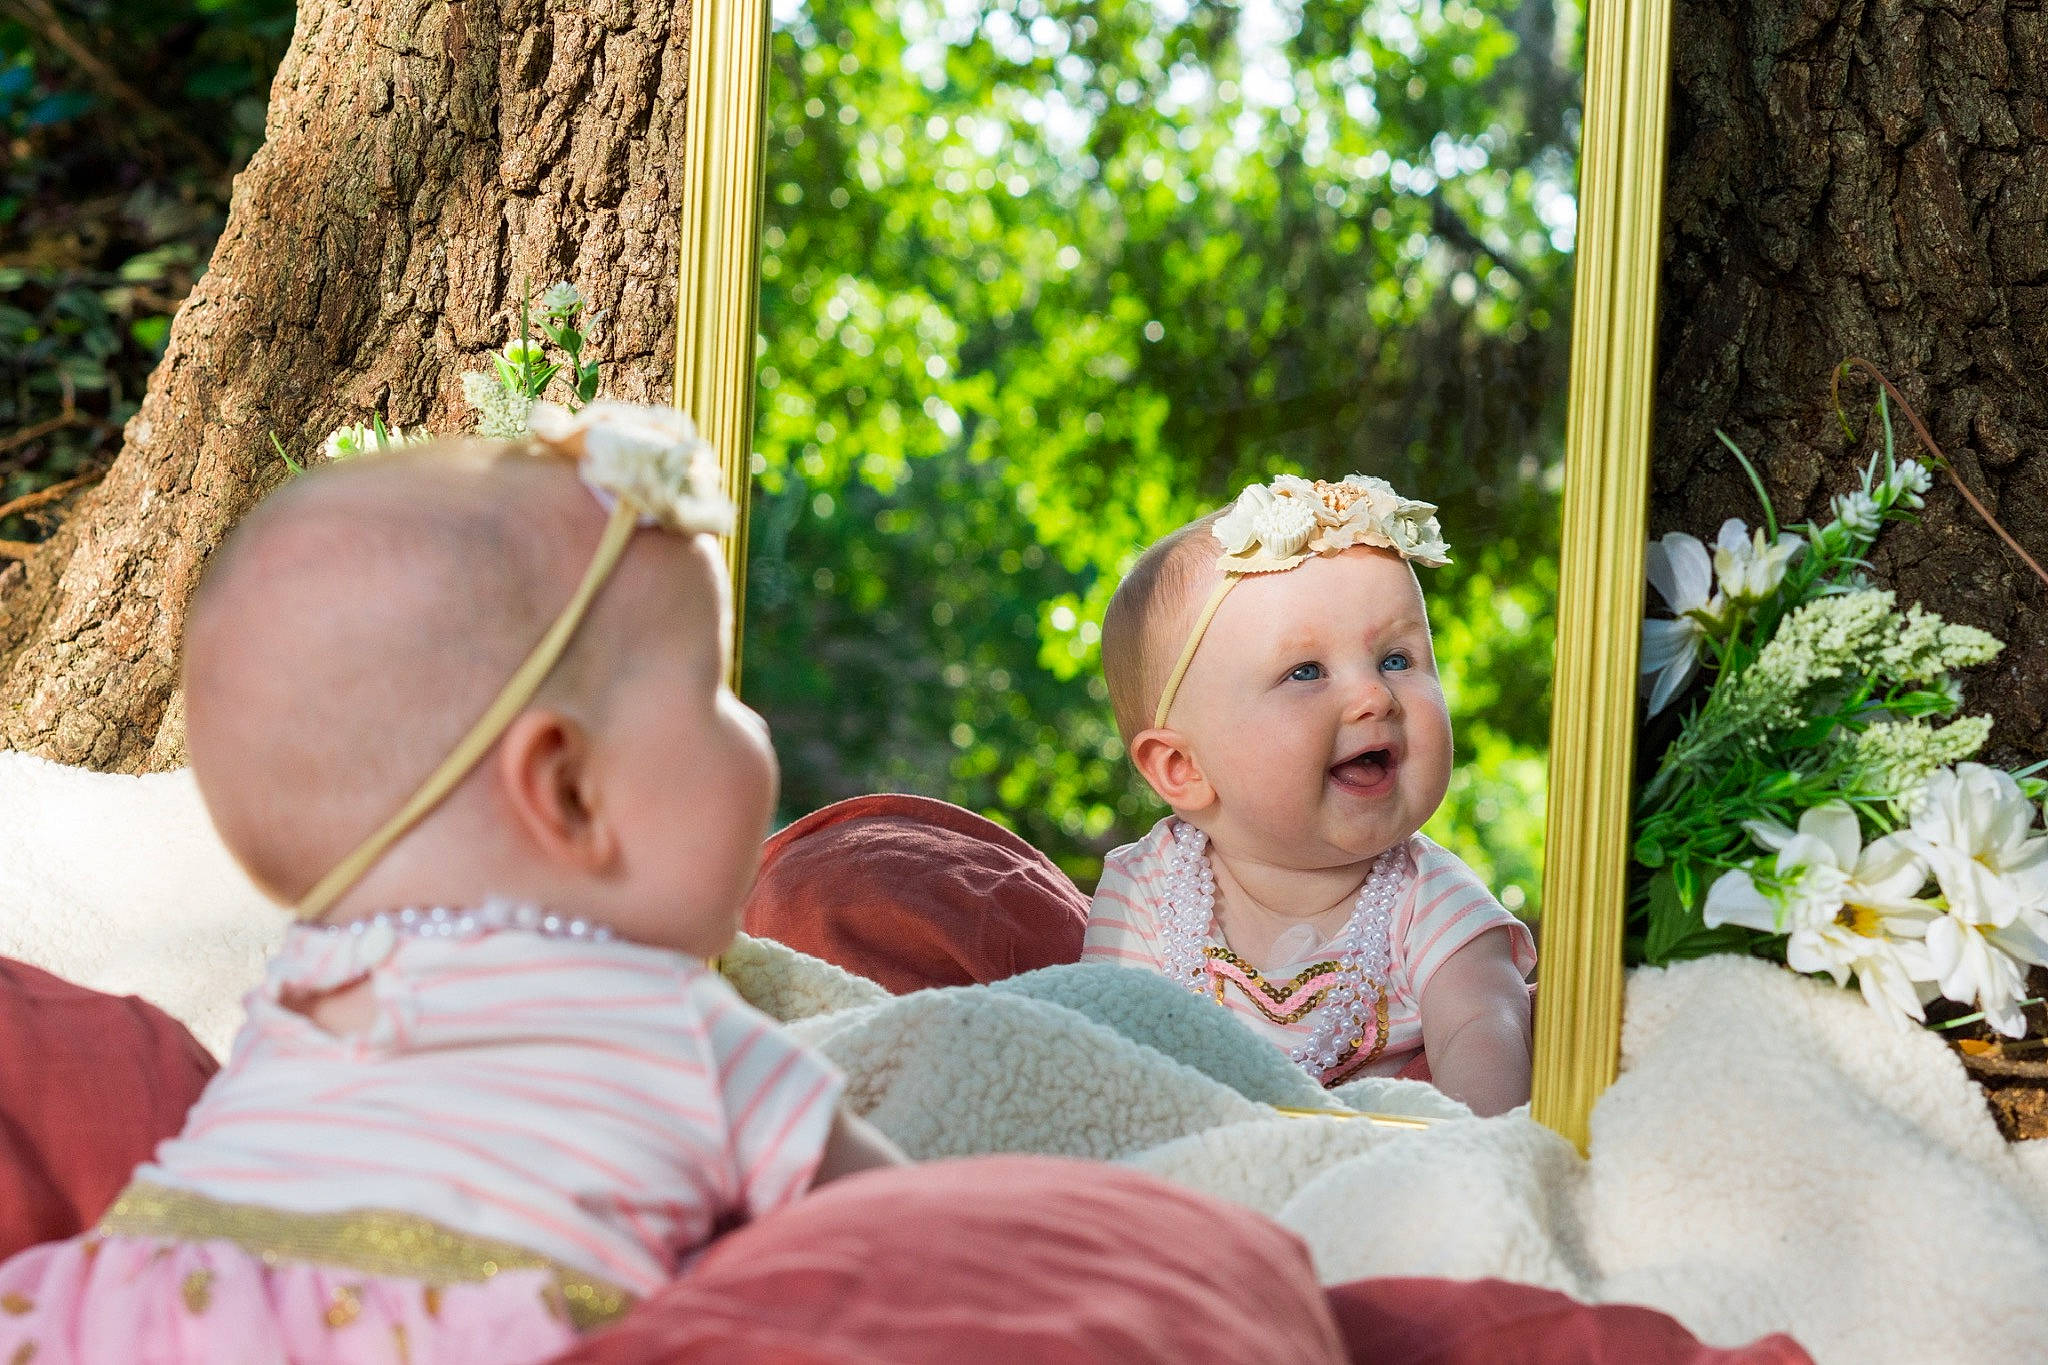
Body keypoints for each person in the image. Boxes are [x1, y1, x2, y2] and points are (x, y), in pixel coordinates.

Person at [0, 403, 903, 1363]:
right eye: (713, 690)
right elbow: (929, 1231)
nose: (753, 725)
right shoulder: (676, 1025)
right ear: (568, 790)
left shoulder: (304, 994)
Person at [1083, 474, 1536, 1116]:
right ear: (1183, 767)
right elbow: (1098, 1055)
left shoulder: (1433, 903)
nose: (1374, 696)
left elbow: (1484, 1042)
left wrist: (1478, 1153)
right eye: (1306, 672)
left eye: (1397, 660)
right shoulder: (1146, 891)